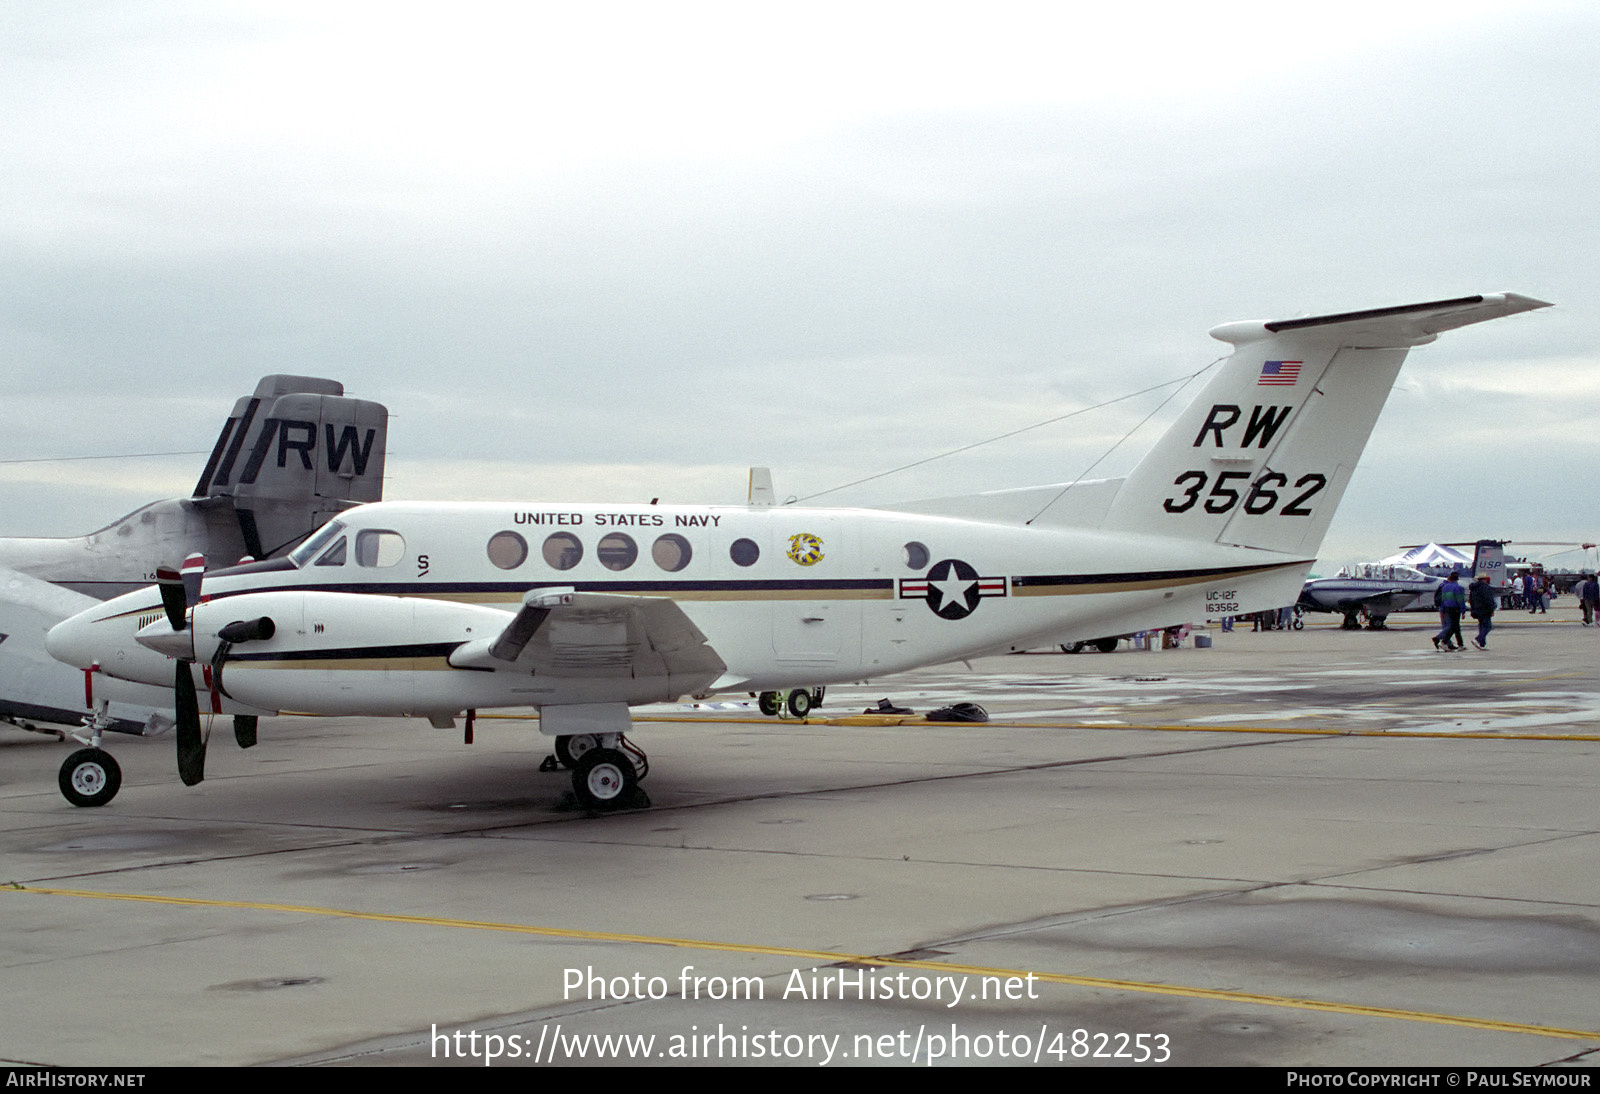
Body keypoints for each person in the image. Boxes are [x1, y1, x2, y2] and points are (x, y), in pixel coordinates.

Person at [1434, 571, 1465, 651]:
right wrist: (1463, 610)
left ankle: (1460, 644)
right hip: (1455, 609)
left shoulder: (1445, 587)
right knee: (1453, 627)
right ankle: (1441, 639)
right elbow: (1460, 600)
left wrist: (1443, 609)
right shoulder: (1458, 588)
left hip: (1447, 608)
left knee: (1454, 626)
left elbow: (1443, 599)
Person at [1468, 572, 1497, 650]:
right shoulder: (1485, 588)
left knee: (1482, 626)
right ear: (1485, 579)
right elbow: (1488, 600)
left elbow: (1471, 600)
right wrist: (1492, 608)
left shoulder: (1473, 588)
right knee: (1488, 626)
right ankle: (1478, 639)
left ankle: (1482, 644)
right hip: (1485, 610)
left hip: (1476, 610)